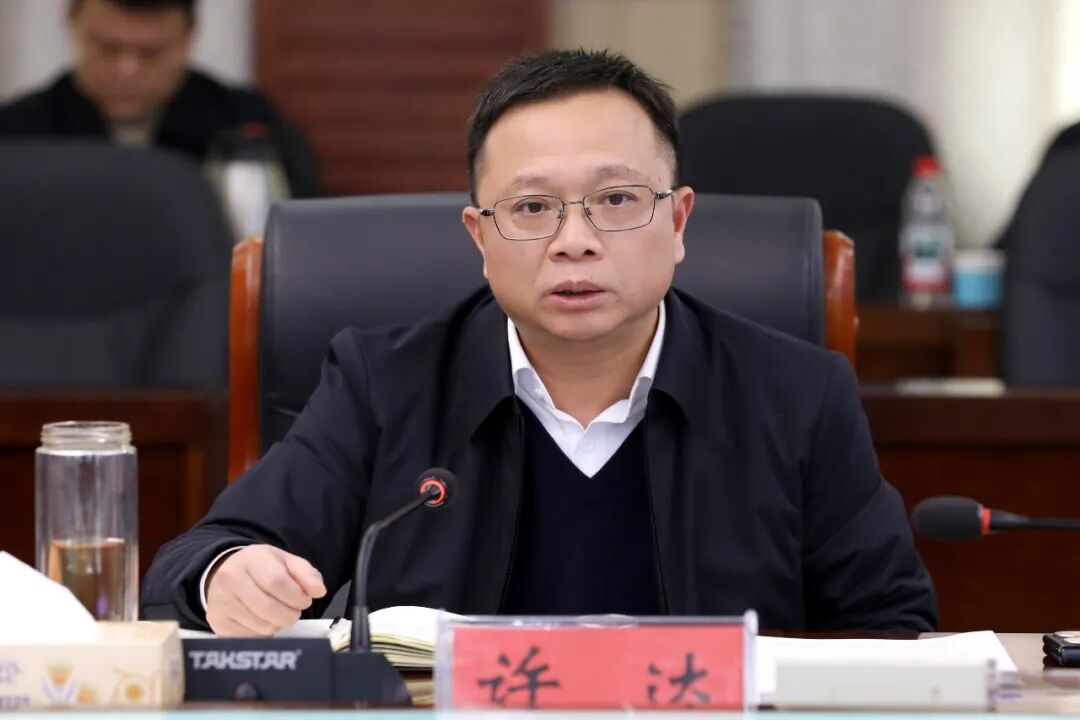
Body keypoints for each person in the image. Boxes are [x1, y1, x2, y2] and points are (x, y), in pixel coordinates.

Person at [141, 49, 937, 635]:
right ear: (478, 236)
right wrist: (229, 577)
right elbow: (194, 563)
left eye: (616, 200)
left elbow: (892, 628)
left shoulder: (796, 395)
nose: (574, 241)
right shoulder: (385, 384)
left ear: (679, 220)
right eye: (531, 209)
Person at [0, 0, 319, 198]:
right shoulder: (16, 134)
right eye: (107, 48)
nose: (126, 70)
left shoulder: (248, 126)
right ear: (71, 25)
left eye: (150, 53)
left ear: (188, 38)